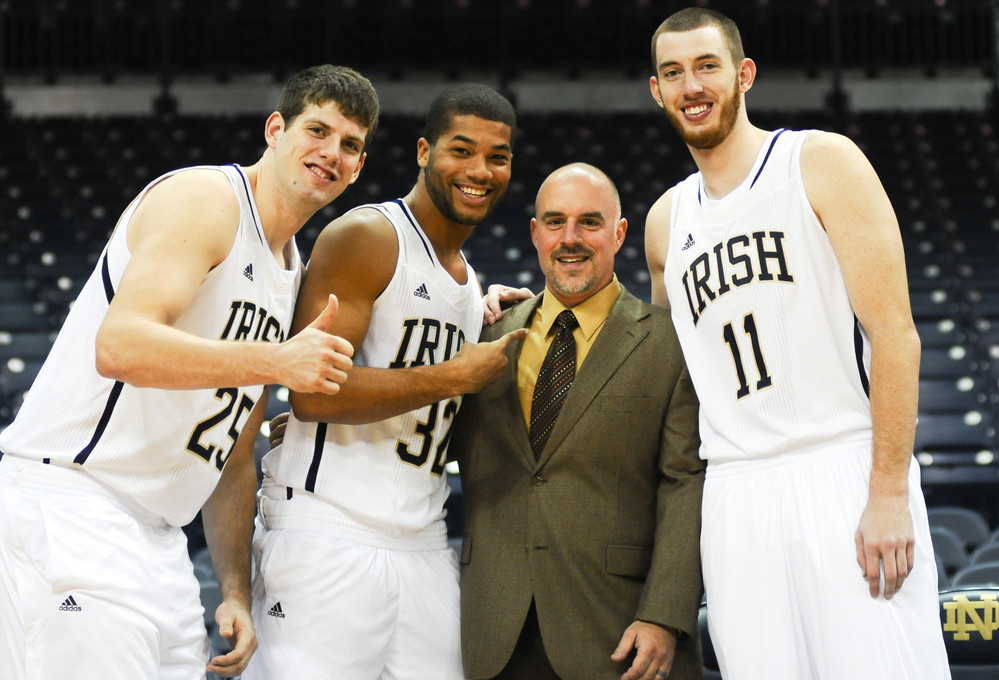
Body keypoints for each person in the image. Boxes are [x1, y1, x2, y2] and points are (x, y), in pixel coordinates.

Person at [0, 64, 378, 680]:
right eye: (317, 130)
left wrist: (234, 590)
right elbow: (119, 345)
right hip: (75, 502)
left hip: (159, 538)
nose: (332, 152)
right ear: (275, 129)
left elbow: (234, 453)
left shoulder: (290, 271)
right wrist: (276, 360)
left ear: (358, 167)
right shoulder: (206, 200)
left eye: (350, 145)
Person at [646, 8, 951, 679]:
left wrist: (888, 490)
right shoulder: (666, 221)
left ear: (744, 74)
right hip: (734, 492)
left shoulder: (819, 161)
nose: (691, 86)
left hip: (840, 467)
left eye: (707, 66)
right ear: (657, 90)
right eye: (674, 72)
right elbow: (665, 374)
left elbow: (894, 334)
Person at [244, 83, 525, 680]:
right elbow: (311, 394)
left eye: (497, 157)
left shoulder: (469, 285)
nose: (479, 170)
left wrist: (487, 316)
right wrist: (451, 375)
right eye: (461, 150)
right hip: (329, 531)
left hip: (423, 540)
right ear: (424, 151)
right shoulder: (368, 236)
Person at [449, 163, 705, 680]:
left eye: (590, 221)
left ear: (620, 233)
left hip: (619, 630)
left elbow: (686, 484)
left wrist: (663, 615)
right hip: (496, 630)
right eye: (555, 221)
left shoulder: (671, 342)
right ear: (535, 233)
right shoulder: (485, 336)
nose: (570, 238)